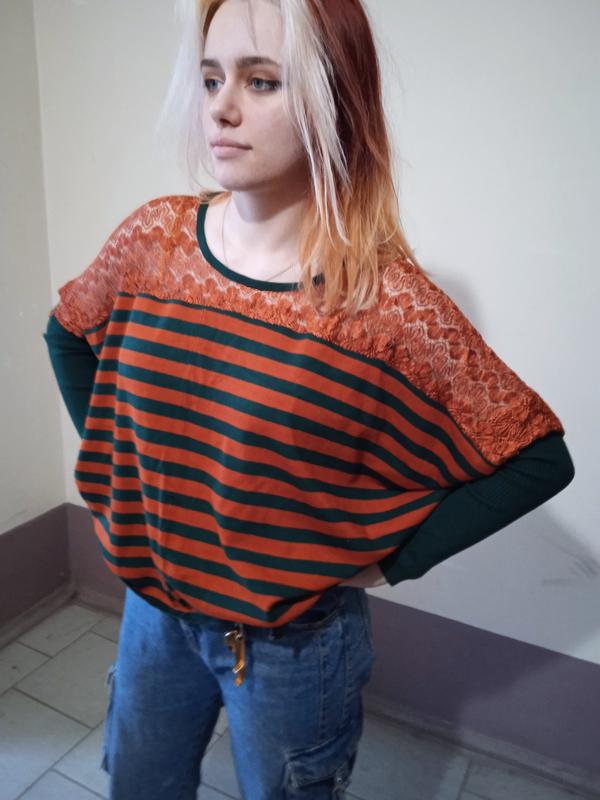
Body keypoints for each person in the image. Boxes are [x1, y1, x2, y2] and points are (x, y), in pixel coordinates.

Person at [42, 1, 575, 798]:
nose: (221, 107)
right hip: (154, 608)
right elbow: (67, 332)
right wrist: (126, 479)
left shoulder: (384, 302)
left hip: (290, 644)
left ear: (336, 102)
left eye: (261, 81)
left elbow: (534, 457)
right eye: (211, 79)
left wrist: (389, 562)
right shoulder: (154, 242)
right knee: (141, 783)